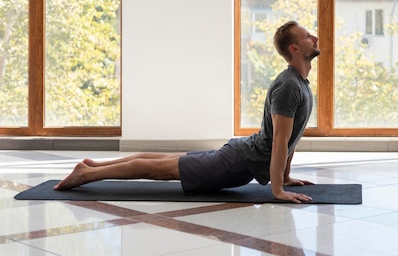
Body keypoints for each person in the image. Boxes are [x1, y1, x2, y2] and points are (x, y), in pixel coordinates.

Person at [54, 20, 320, 204]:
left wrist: (285, 177)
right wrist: (277, 190)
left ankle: (92, 165)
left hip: (240, 156)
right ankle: (86, 175)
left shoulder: (299, 84)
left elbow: (289, 139)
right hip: (237, 162)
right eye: (308, 36)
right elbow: (279, 142)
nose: (314, 37)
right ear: (294, 48)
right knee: (160, 169)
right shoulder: (289, 86)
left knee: (163, 160)